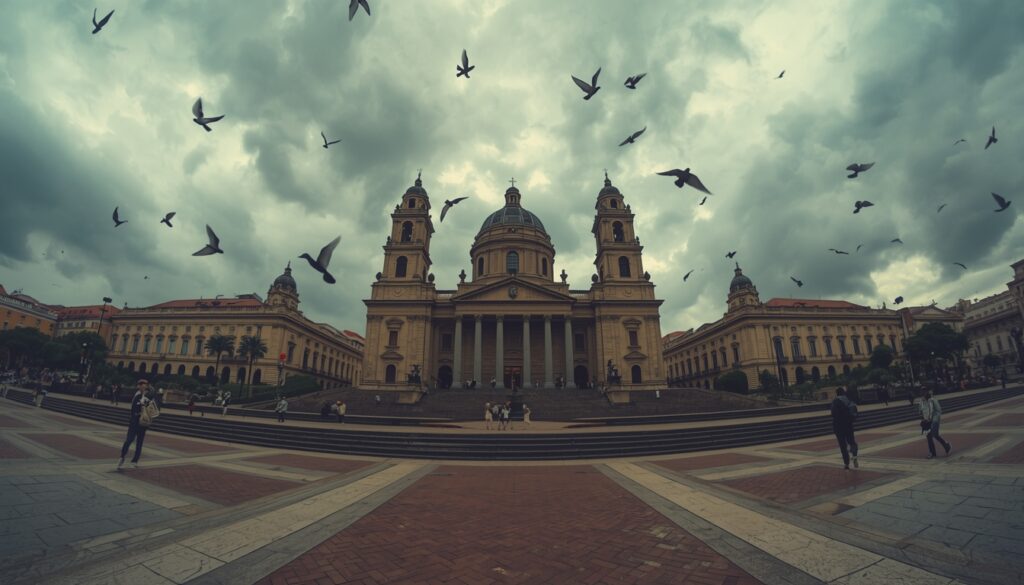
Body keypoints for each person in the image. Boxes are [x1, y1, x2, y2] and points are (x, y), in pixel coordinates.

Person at [118, 379, 154, 469]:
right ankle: (122, 456)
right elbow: (133, 409)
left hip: (143, 423)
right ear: (138, 386)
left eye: (146, 384)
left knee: (139, 443)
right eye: (142, 384)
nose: (144, 386)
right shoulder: (137, 395)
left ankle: (135, 460)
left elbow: (151, 409)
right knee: (129, 440)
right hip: (134, 422)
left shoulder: (148, 396)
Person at [830, 387, 859, 470]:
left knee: (843, 445)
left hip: (838, 426)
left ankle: (846, 463)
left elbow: (833, 413)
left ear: (837, 393)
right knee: (852, 442)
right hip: (848, 425)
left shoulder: (835, 401)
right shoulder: (849, 400)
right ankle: (855, 457)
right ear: (843, 392)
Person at [920, 391, 951, 459]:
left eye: (924, 394)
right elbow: (921, 411)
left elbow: (938, 411)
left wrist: (934, 420)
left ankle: (946, 445)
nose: (922, 396)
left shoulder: (933, 401)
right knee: (929, 437)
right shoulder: (921, 402)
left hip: (934, 420)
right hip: (927, 422)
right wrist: (923, 418)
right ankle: (932, 453)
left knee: (935, 435)